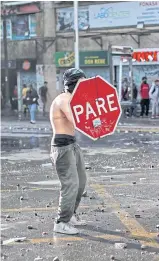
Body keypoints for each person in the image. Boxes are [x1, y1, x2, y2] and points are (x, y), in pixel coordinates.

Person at [50, 68, 87, 235]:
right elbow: (78, 119)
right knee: (70, 184)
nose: (84, 85)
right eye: (81, 82)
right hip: (62, 146)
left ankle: (71, 214)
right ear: (72, 83)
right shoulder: (64, 99)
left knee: (81, 183)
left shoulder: (74, 99)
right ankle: (61, 222)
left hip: (72, 144)